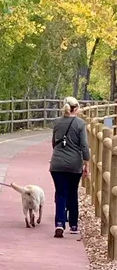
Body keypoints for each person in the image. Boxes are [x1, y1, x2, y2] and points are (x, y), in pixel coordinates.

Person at [50, 96, 90, 238]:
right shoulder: (80, 124)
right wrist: (87, 162)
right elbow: (84, 145)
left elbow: (54, 143)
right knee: (73, 193)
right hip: (74, 164)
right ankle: (73, 225)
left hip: (57, 163)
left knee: (60, 193)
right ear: (76, 108)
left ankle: (59, 223)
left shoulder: (57, 123)